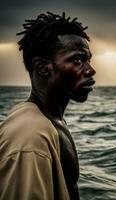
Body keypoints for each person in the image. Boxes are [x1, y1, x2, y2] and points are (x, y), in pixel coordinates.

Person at [0, 12, 96, 200]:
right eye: (77, 60)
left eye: (88, 60)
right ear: (43, 67)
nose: (90, 70)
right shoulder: (30, 138)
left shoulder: (50, 121)